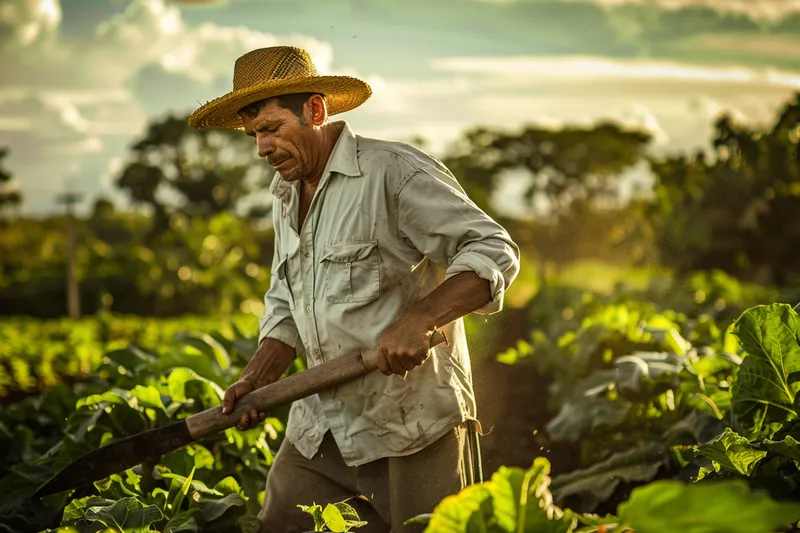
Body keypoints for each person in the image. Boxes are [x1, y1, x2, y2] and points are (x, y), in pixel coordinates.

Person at [188, 46, 520, 533]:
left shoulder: (392, 172)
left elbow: (492, 248)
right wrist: (260, 376)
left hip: (412, 423)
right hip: (320, 427)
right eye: (253, 135)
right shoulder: (285, 194)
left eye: (271, 129)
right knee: (281, 524)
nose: (261, 148)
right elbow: (286, 299)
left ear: (315, 111)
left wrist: (419, 318)